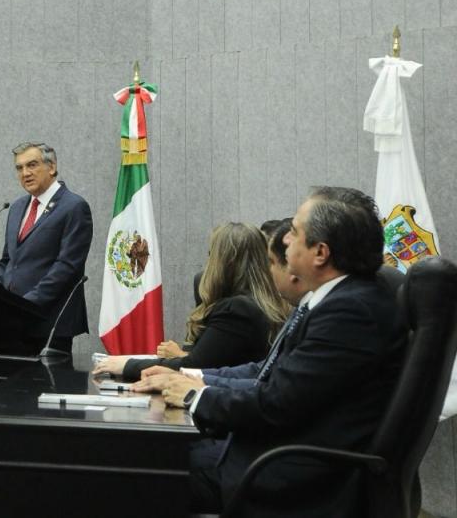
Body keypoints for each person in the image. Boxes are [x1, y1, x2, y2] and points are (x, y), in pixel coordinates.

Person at [159, 187, 403, 516]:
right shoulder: (339, 299)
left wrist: (195, 396)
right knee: (152, 453)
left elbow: (275, 403)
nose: (285, 239)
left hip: (287, 480)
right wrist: (194, 378)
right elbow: (271, 377)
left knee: (139, 468)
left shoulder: (350, 312)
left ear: (320, 253)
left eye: (295, 232)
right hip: (269, 454)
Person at [94, 222, 289, 382]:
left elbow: (194, 365)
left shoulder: (238, 309)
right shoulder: (266, 302)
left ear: (224, 262)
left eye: (211, 255)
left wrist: (127, 365)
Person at [0, 142, 93, 353]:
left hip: (49, 322)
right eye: (19, 168)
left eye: (32, 165)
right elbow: (7, 260)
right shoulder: (17, 207)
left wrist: (26, 305)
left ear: (52, 167)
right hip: (12, 321)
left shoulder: (74, 206)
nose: (25, 173)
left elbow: (67, 266)